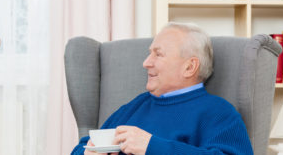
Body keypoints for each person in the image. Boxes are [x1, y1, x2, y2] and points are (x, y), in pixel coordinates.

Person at [71, 22, 253, 155]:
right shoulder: (136, 105)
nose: (146, 63)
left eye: (158, 54)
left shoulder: (218, 113)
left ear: (189, 67)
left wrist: (152, 147)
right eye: (149, 54)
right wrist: (88, 153)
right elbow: (82, 147)